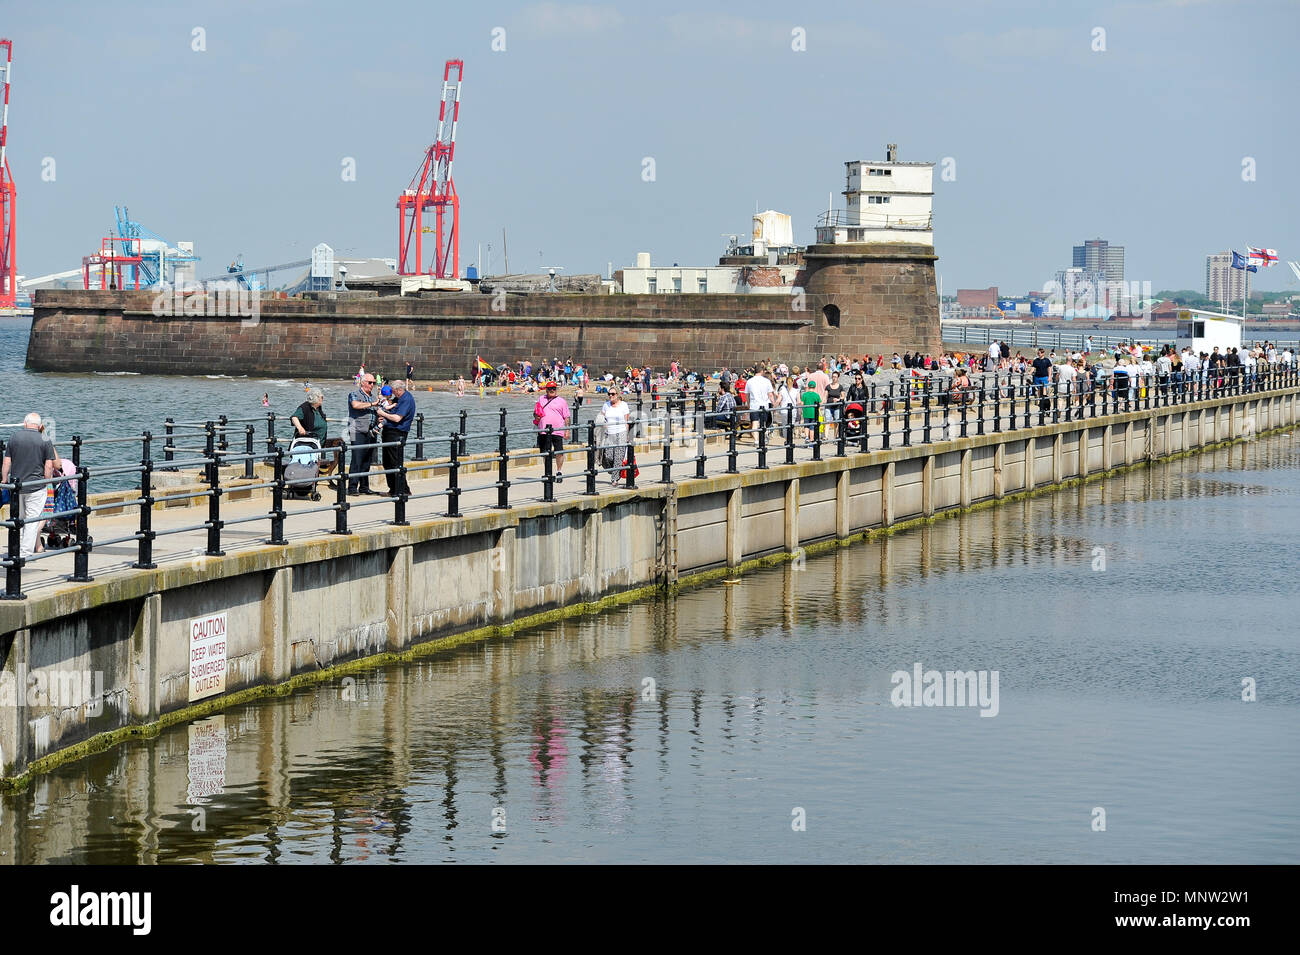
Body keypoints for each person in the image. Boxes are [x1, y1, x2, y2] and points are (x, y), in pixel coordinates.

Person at [2, 413, 56, 560]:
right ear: (39, 426)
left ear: (25, 423)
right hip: (36, 486)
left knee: (18, 518)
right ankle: (25, 552)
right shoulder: (45, 439)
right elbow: (49, 466)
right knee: (31, 520)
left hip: (17, 487)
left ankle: (15, 549)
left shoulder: (14, 437)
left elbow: (7, 462)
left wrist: (4, 480)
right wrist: (46, 481)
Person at [375, 379, 415, 496]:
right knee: (388, 462)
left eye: (393, 391)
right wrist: (385, 418)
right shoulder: (399, 398)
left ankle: (402, 490)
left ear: (398, 390)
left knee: (395, 462)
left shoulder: (406, 399)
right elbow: (392, 413)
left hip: (397, 433)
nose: (391, 394)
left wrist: (382, 414)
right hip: (390, 432)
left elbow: (397, 418)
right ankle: (394, 489)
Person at [346, 373, 381, 494]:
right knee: (357, 459)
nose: (372, 385)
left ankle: (364, 487)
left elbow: (376, 412)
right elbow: (355, 405)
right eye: (370, 383)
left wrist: (379, 418)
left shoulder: (373, 397)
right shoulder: (354, 394)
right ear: (363, 382)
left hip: (371, 431)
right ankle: (352, 488)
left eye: (374, 383)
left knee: (367, 460)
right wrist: (372, 404)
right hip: (357, 431)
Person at [533, 381, 572, 482]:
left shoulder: (562, 401)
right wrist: (536, 416)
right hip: (544, 431)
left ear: (556, 390)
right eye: (550, 389)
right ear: (546, 390)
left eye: (554, 389)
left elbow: (567, 417)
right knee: (545, 453)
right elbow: (536, 412)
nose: (552, 390)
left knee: (559, 452)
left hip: (557, 431)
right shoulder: (541, 399)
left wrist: (567, 430)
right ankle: (547, 473)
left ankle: (559, 472)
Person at [600, 388, 632, 484]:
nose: (610, 396)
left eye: (613, 394)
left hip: (621, 432)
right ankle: (614, 471)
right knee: (608, 456)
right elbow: (602, 418)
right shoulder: (606, 405)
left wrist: (627, 434)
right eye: (609, 394)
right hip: (609, 433)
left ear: (617, 394)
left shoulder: (623, 405)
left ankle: (614, 479)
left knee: (618, 457)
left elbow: (626, 421)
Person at [745, 366, 774, 442]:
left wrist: (748, 403)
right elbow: (770, 394)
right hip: (764, 405)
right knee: (763, 423)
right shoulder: (766, 381)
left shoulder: (749, 381)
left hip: (754, 405)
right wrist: (773, 403)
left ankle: (756, 441)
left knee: (754, 423)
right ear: (761, 372)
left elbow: (747, 394)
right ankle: (764, 437)